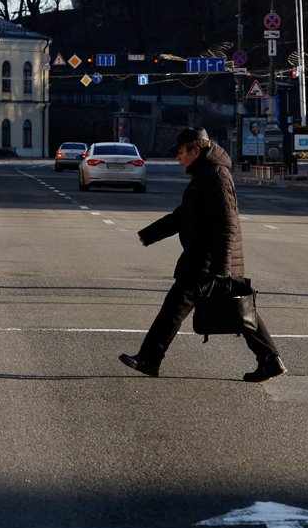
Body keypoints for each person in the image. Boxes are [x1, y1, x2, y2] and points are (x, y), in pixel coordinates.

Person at [119, 127, 286, 382]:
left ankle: (149, 358)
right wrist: (150, 234)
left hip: (207, 260)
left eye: (181, 152)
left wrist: (222, 271)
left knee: (186, 309)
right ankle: (270, 360)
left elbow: (227, 224)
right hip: (204, 258)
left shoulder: (216, 176)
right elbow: (184, 214)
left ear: (196, 150)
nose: (178, 158)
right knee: (238, 310)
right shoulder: (206, 174)